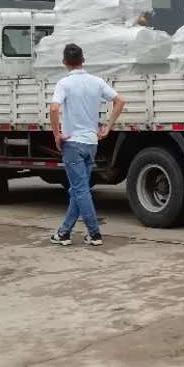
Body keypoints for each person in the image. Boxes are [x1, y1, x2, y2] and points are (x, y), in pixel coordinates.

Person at [49, 43, 126, 246]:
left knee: (80, 189)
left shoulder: (64, 84)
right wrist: (107, 126)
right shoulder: (97, 82)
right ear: (83, 60)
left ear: (64, 62)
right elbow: (120, 101)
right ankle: (64, 232)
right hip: (91, 143)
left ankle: (94, 233)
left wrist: (57, 134)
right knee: (78, 189)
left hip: (72, 143)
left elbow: (54, 109)